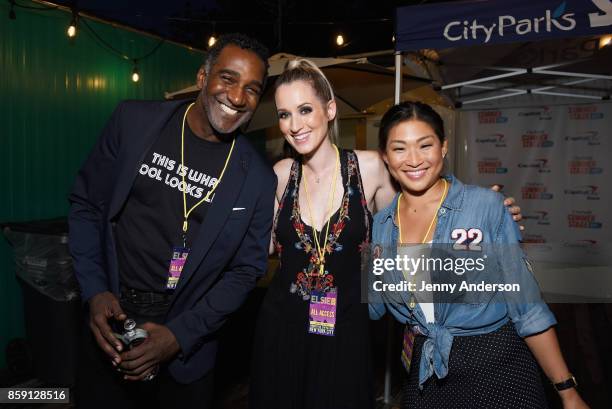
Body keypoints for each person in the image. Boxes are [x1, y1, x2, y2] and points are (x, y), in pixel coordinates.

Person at [249, 59, 523, 409]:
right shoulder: (281, 173)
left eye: (305, 109)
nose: (294, 125)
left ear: (330, 109)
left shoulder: (369, 167)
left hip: (346, 329)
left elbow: (415, 223)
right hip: (281, 325)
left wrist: (482, 211)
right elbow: (264, 245)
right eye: (285, 114)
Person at [68, 33, 276, 409]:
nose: (236, 97)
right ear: (202, 77)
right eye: (227, 78)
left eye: (252, 89)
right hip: (110, 319)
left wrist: (180, 335)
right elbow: (86, 205)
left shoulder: (258, 179)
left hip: (186, 344)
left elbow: (246, 270)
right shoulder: (133, 122)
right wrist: (94, 291)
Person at [369, 101, 589, 409]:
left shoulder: (484, 207)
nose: (414, 159)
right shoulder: (381, 225)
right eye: (400, 148)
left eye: (425, 145)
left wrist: (567, 392)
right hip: (425, 376)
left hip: (497, 369)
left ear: (443, 148)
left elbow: (527, 308)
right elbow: (374, 307)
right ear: (385, 157)